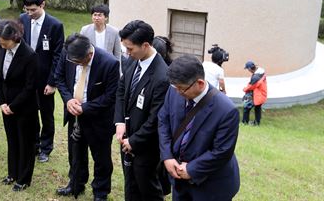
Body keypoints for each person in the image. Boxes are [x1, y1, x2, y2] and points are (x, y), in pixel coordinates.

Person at [158, 55, 240, 201]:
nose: (178, 92)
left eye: (182, 89)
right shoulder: (175, 89)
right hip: (179, 181)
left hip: (211, 187)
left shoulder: (227, 110)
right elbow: (163, 120)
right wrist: (167, 156)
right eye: (175, 87)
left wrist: (191, 169)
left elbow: (222, 151)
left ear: (200, 83)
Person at [54, 34, 120, 201]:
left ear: (89, 55)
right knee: (75, 152)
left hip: (99, 118)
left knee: (101, 157)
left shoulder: (109, 63)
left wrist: (84, 107)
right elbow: (60, 78)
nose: (74, 64)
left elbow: (110, 96)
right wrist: (68, 100)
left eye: (78, 62)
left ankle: (100, 191)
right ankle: (76, 183)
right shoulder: (68, 54)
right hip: (74, 113)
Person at [114, 20, 169, 201]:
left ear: (145, 45)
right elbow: (121, 90)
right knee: (130, 185)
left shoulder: (162, 76)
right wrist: (119, 121)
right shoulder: (133, 60)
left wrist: (135, 141)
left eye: (130, 49)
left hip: (146, 146)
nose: (127, 53)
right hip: (127, 137)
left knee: (147, 188)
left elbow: (156, 118)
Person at [19, 0, 64, 163]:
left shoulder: (55, 25)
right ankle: (33, 144)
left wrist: (52, 82)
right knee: (29, 113)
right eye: (27, 9)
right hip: (26, 78)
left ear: (42, 5)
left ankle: (46, 147)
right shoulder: (22, 20)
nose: (29, 13)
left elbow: (58, 56)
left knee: (46, 115)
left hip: (45, 79)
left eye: (33, 10)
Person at [0, 20, 39, 192]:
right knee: (12, 140)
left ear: (15, 37)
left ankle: (24, 178)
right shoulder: (1, 47)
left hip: (24, 107)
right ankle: (12, 173)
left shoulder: (29, 55)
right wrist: (2, 102)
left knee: (25, 142)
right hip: (6, 104)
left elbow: (30, 87)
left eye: (4, 41)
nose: (1, 44)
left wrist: (13, 106)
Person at [242, 60, 267, 126]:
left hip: (257, 94)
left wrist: (244, 89)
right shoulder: (261, 72)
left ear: (250, 68)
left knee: (246, 107)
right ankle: (257, 123)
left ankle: (245, 122)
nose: (248, 70)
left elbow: (251, 86)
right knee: (257, 108)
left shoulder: (255, 77)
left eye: (247, 69)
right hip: (262, 93)